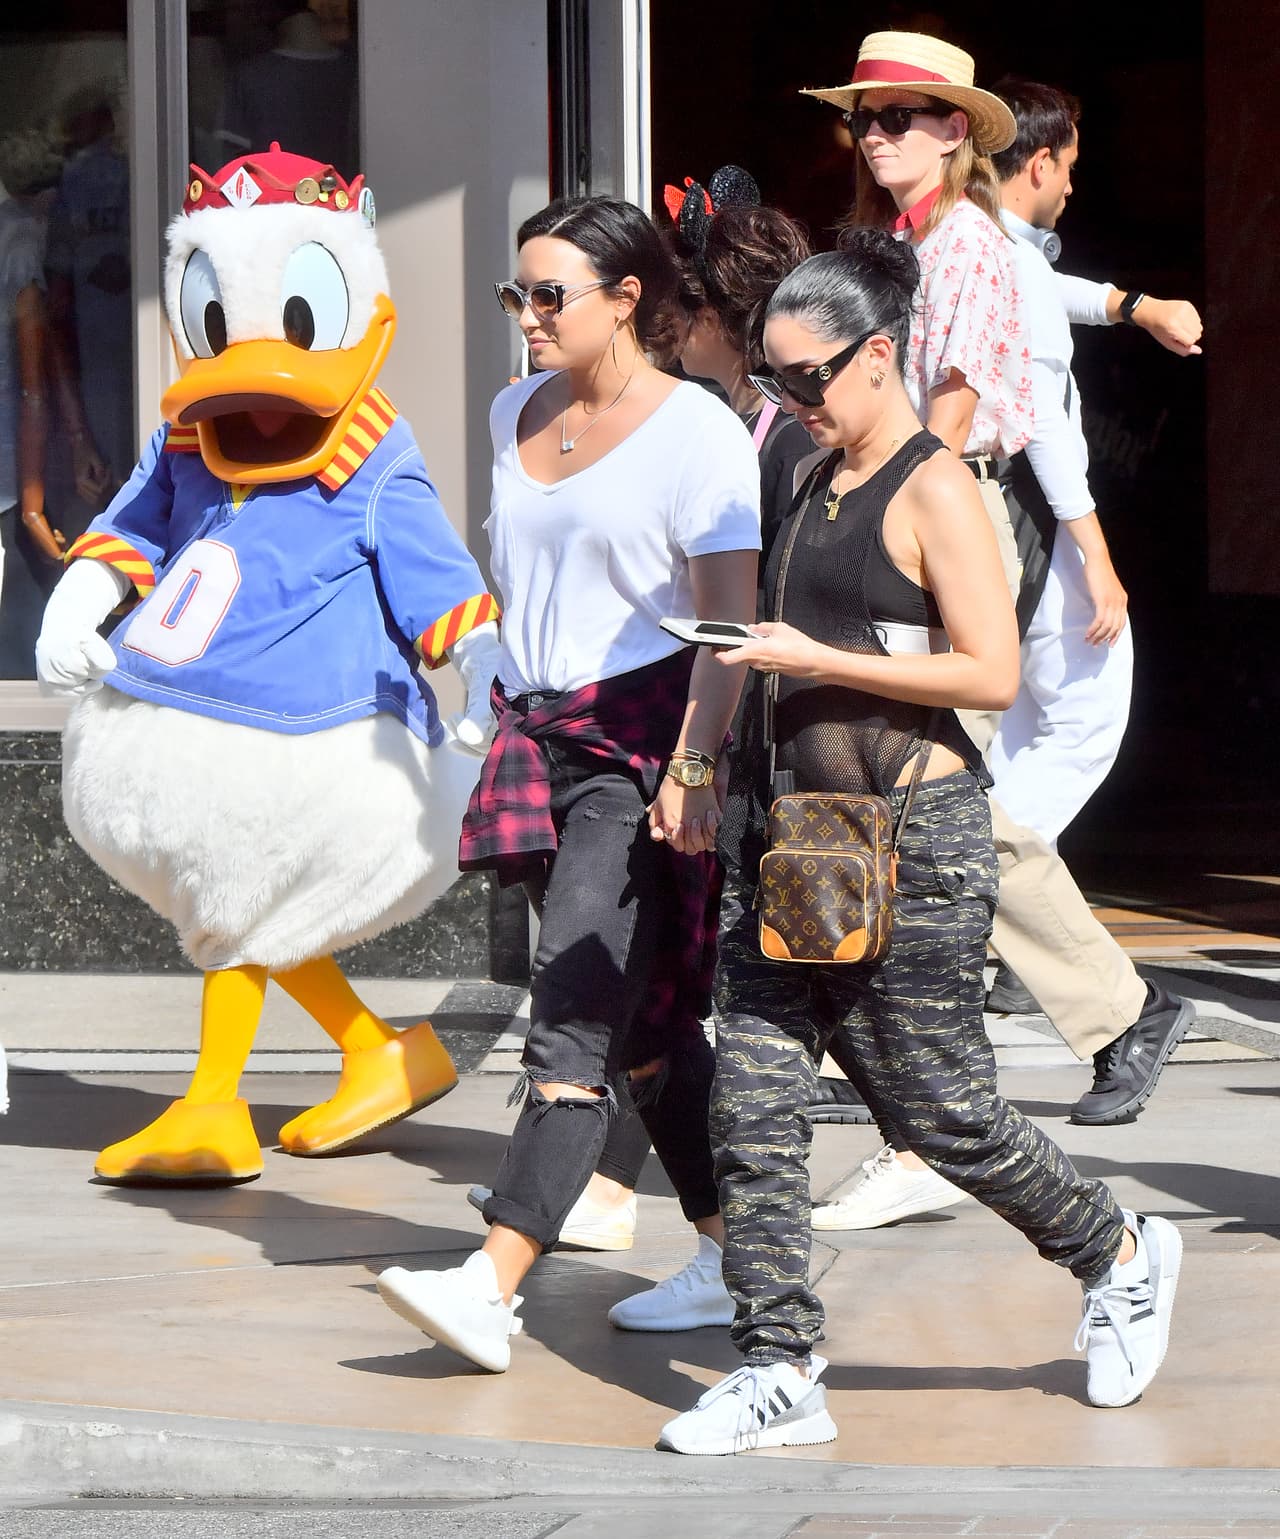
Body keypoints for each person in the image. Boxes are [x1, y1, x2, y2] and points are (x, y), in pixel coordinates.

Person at [656, 233, 1182, 1456]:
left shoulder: (935, 485)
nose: (785, 403)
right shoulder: (798, 461)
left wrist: (819, 659)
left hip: (914, 836)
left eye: (805, 380)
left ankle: (1117, 1249)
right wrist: (697, 760)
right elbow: (747, 627)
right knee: (755, 1104)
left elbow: (990, 673)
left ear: (876, 356)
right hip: (793, 834)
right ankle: (780, 1365)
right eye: (772, 382)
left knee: (939, 1111)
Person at [374, 196, 761, 1372]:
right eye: (517, 295)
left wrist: (693, 765)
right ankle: (743, 1253)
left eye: (550, 296)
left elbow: (729, 624)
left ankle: (492, 1282)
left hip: (644, 749)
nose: (526, 319)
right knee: (644, 1030)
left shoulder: (698, 432)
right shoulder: (511, 411)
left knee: (574, 1009)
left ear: (625, 300)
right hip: (537, 743)